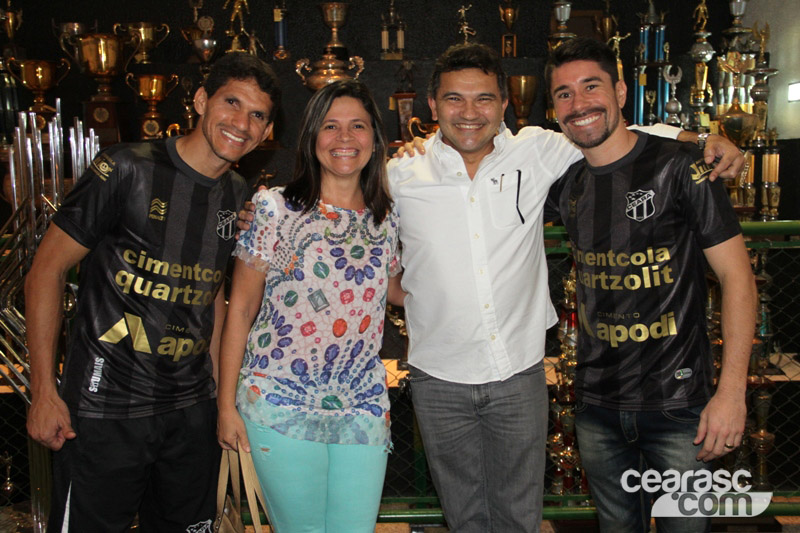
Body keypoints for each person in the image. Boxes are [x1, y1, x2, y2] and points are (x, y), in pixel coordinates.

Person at [384, 43, 743, 532]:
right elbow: (354, 228)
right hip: (443, 378)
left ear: (505, 104)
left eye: (484, 98)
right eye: (454, 99)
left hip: (526, 375)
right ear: (432, 107)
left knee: (519, 517)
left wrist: (701, 136)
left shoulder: (538, 148)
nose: (469, 113)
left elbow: (617, 133)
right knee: (464, 518)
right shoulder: (400, 173)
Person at [24, 52, 279, 532]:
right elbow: (45, 272)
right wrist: (43, 390)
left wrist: (221, 398)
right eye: (231, 103)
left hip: (190, 415)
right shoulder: (124, 168)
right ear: (201, 101)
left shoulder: (242, 197)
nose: (242, 123)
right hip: (103, 410)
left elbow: (215, 299)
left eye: (258, 115)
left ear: (266, 132)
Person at [543, 37, 756, 532]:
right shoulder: (567, 186)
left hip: (681, 409)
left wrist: (731, 394)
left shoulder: (684, 167)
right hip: (597, 408)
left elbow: (737, 278)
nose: (579, 104)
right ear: (553, 109)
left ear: (619, 91)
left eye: (591, 86)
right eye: (564, 94)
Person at [217, 79, 401, 532]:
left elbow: (395, 289)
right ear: (312, 137)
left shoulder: (388, 216)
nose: (344, 138)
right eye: (330, 126)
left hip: (363, 404)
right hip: (279, 403)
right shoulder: (274, 209)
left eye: (357, 126)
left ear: (374, 138)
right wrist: (225, 406)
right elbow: (239, 309)